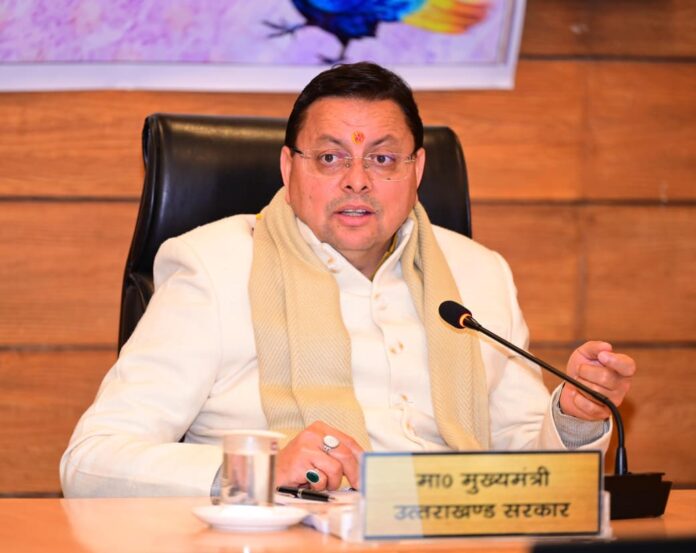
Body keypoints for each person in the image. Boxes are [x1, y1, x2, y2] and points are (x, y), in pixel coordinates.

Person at [60, 62, 636, 497]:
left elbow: (526, 468)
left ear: (417, 170)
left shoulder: (479, 274)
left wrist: (574, 418)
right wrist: (258, 467)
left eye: (382, 159)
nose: (357, 181)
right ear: (289, 167)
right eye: (330, 158)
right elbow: (91, 461)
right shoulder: (213, 268)